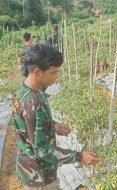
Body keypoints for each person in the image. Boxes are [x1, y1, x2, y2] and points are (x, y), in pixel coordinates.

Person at [12, 44, 99, 190]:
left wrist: (52, 124)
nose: (56, 77)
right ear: (38, 72)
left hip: (29, 167)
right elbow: (42, 150)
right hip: (40, 177)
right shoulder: (33, 103)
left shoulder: (25, 90)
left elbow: (28, 125)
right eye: (53, 73)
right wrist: (79, 156)